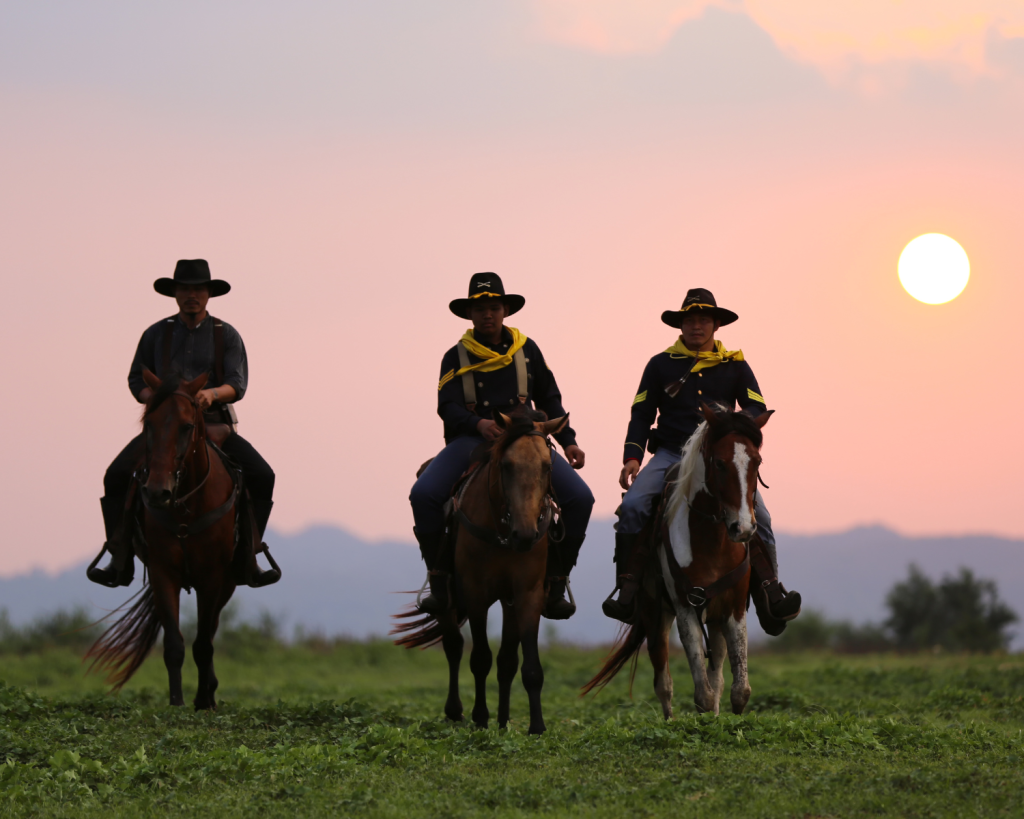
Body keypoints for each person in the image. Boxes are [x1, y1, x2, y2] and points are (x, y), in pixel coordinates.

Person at [601, 288, 801, 632]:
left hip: (717, 459)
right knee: (633, 506)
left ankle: (770, 592)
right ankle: (628, 587)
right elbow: (641, 413)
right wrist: (632, 457)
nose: (697, 326)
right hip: (669, 454)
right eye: (690, 320)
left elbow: (755, 406)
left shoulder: (735, 364)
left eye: (703, 320)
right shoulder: (660, 364)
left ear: (716, 325)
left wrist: (732, 424)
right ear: (680, 326)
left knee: (762, 517)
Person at [410, 272, 595, 619]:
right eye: (480, 309)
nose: (487, 315)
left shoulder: (527, 350)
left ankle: (556, 581)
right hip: (471, 440)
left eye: (494, 307)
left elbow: (551, 398)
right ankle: (438, 579)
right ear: (469, 314)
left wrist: (568, 441)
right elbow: (446, 406)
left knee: (581, 498)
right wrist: (477, 423)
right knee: (423, 494)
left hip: (526, 441)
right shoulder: (456, 356)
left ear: (505, 310)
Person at [87, 259, 279, 588]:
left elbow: (238, 383)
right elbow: (136, 379)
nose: (192, 295)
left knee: (263, 475)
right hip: (165, 430)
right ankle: (119, 555)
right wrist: (159, 399)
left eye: (199, 289)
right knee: (116, 475)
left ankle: (251, 553)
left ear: (208, 294)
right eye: (186, 289)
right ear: (175, 293)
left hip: (214, 427)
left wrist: (212, 394)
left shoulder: (226, 335)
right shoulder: (155, 334)